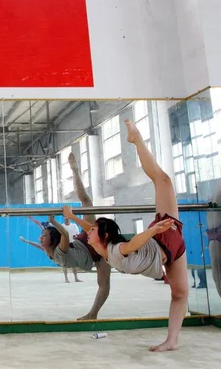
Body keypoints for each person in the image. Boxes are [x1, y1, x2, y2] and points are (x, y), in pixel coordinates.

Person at [78, 119, 188, 352]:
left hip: (163, 239)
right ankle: (172, 340)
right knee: (179, 293)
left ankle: (137, 140)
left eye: (93, 231)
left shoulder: (114, 251)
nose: (87, 233)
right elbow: (90, 230)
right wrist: (72, 216)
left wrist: (153, 230)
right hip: (167, 249)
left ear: (104, 237)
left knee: (164, 180)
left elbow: (133, 244)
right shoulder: (106, 250)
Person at [21, 152, 111, 320]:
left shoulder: (60, 249)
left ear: (52, 241)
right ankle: (93, 314)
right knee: (104, 283)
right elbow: (43, 242)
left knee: (87, 203)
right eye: (42, 236)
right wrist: (28, 239)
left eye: (44, 235)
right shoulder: (50, 250)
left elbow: (63, 234)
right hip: (93, 254)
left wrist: (54, 221)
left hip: (89, 243)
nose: (41, 238)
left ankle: (75, 171)